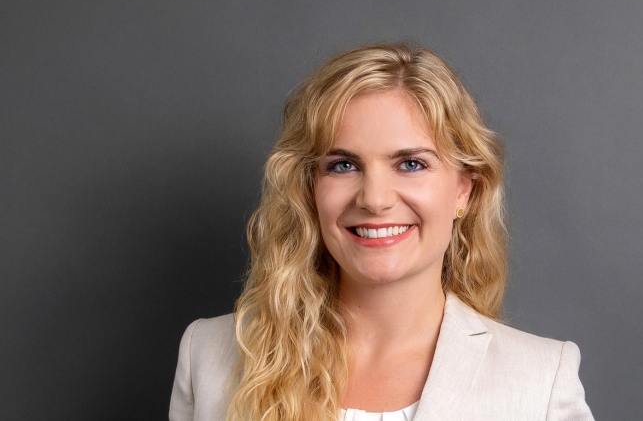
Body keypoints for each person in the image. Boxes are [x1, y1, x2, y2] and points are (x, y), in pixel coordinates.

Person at [169, 42, 594, 421]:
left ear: (464, 190)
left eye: (411, 164)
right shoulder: (208, 355)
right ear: (309, 188)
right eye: (343, 165)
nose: (374, 199)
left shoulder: (540, 380)